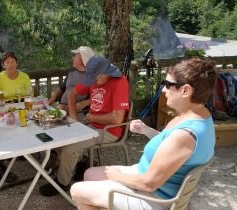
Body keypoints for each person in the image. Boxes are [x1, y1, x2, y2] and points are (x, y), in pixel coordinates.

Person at [70, 58, 216, 210]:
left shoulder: (184, 136)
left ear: (185, 90)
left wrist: (116, 176)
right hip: (147, 177)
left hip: (153, 198)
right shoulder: (197, 116)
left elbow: (148, 184)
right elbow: (168, 143)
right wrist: (147, 130)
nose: (164, 90)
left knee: (77, 191)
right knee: (89, 174)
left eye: (167, 85)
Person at [39, 56, 130, 196]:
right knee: (57, 138)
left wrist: (92, 117)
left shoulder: (120, 82)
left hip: (109, 130)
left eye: (94, 78)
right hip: (90, 125)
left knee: (70, 147)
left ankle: (62, 183)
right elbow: (71, 93)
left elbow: (117, 119)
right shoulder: (95, 77)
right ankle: (80, 164)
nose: (92, 82)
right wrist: (75, 119)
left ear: (105, 73)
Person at [48, 46, 95, 116]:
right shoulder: (72, 71)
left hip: (78, 112)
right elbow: (62, 87)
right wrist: (54, 97)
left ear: (83, 58)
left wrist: (85, 103)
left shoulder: (92, 76)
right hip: (61, 107)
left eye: (76, 56)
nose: (73, 58)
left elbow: (98, 97)